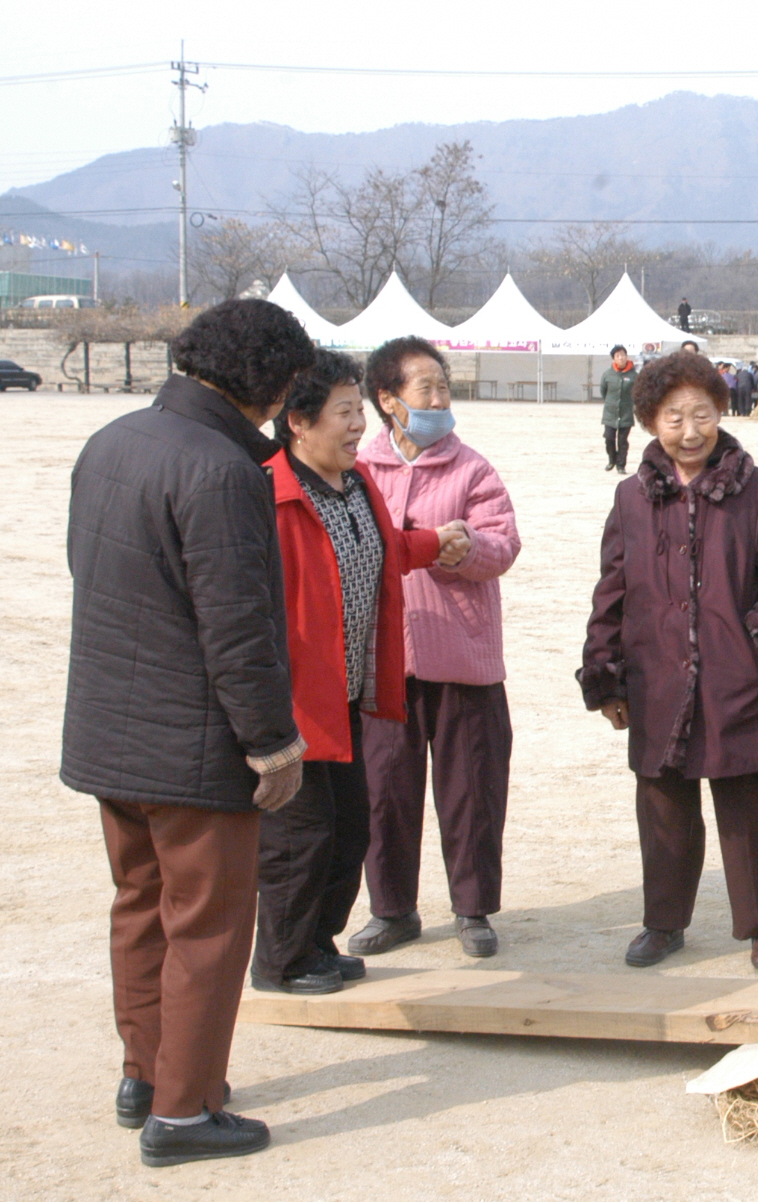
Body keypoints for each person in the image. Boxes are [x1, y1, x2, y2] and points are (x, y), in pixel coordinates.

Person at [64, 298, 314, 1166]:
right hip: (193, 741)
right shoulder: (222, 470)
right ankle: (183, 1111)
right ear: (275, 383)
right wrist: (272, 741)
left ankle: (147, 1074)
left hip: (110, 732)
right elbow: (238, 626)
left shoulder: (113, 441)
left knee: (140, 907)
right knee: (207, 924)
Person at [578, 351, 758, 976]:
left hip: (741, 682)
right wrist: (605, 675)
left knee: (750, 812)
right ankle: (663, 923)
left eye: (702, 414)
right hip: (655, 679)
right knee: (662, 811)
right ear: (651, 419)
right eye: (674, 417)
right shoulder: (631, 497)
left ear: (721, 412)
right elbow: (612, 590)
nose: (689, 430)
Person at [254, 350, 451, 995]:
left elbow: (387, 547)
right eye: (343, 413)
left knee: (348, 830)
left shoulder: (358, 482)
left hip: (346, 694)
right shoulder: (269, 493)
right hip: (292, 704)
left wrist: (435, 543)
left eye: (358, 411)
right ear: (298, 422)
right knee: (298, 839)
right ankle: (280, 960)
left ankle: (317, 942)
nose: (357, 426)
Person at [349, 337, 522, 960]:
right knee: (384, 792)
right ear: (388, 401)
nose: (440, 398)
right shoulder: (358, 469)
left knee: (472, 791)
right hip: (383, 664)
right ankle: (392, 910)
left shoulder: (471, 469)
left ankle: (473, 910)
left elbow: (503, 546)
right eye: (426, 388)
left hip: (463, 660)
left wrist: (463, 548)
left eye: (444, 385)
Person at [599, 344, 637, 474]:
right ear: (613, 359)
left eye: (623, 355)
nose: (621, 358)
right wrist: (611, 403)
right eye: (618, 356)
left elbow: (637, 392)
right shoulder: (608, 374)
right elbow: (603, 391)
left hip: (626, 413)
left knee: (622, 441)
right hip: (610, 413)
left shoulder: (633, 375)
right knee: (609, 438)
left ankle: (621, 465)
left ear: (627, 357)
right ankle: (612, 459)